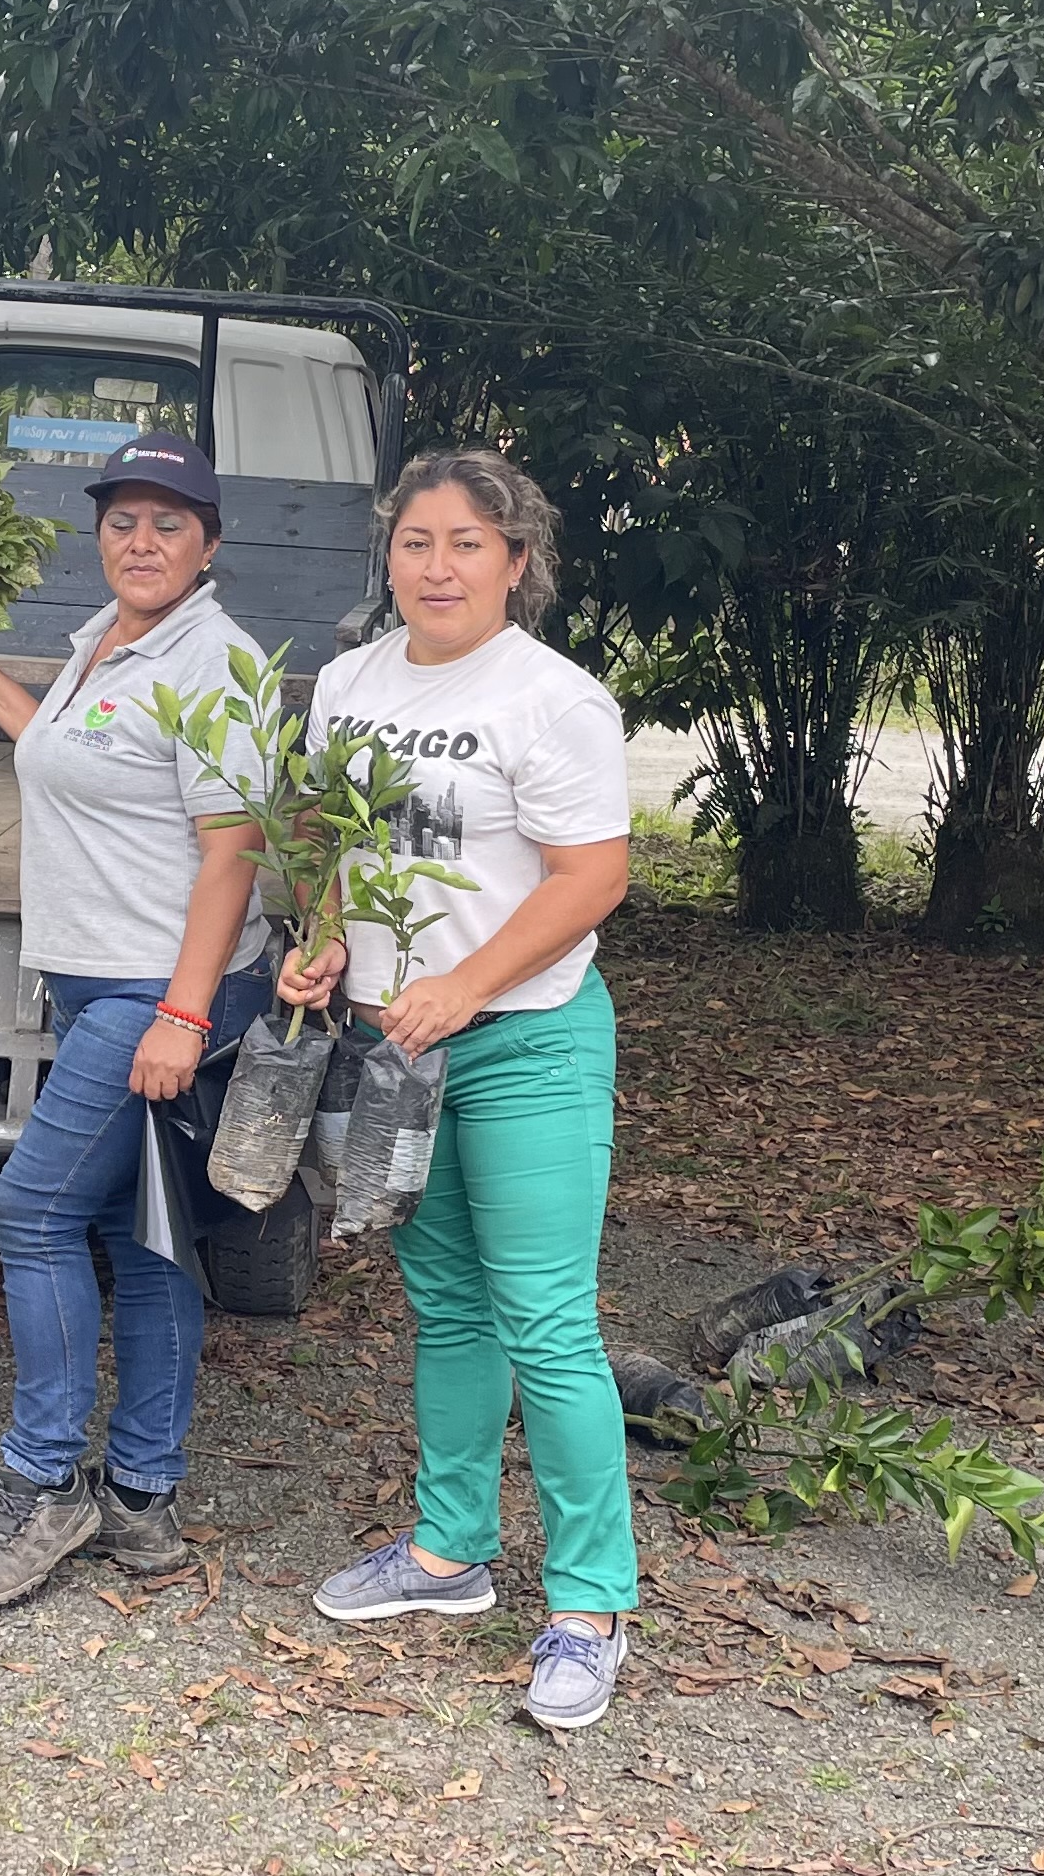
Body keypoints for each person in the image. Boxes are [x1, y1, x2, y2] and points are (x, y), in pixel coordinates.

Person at [279, 447, 639, 1730]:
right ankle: (448, 1553)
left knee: (546, 1320)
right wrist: (324, 938)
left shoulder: (553, 700)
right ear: (389, 555)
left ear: (515, 562)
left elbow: (592, 877)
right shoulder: (351, 682)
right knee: (446, 1302)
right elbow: (329, 837)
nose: (438, 567)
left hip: (524, 1041)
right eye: (416, 541)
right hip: (399, 1047)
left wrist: (468, 984)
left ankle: (591, 1607)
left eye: (467, 544)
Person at [0, 431, 278, 1610]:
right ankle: (142, 1497)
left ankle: (44, 1485)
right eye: (123, 520)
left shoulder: (214, 664)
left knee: (30, 1210)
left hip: (157, 989)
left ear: (209, 545)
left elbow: (234, 852)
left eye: (169, 523)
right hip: (107, 982)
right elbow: (67, 750)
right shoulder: (105, 641)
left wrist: (183, 1011)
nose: (141, 540)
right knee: (148, 1234)